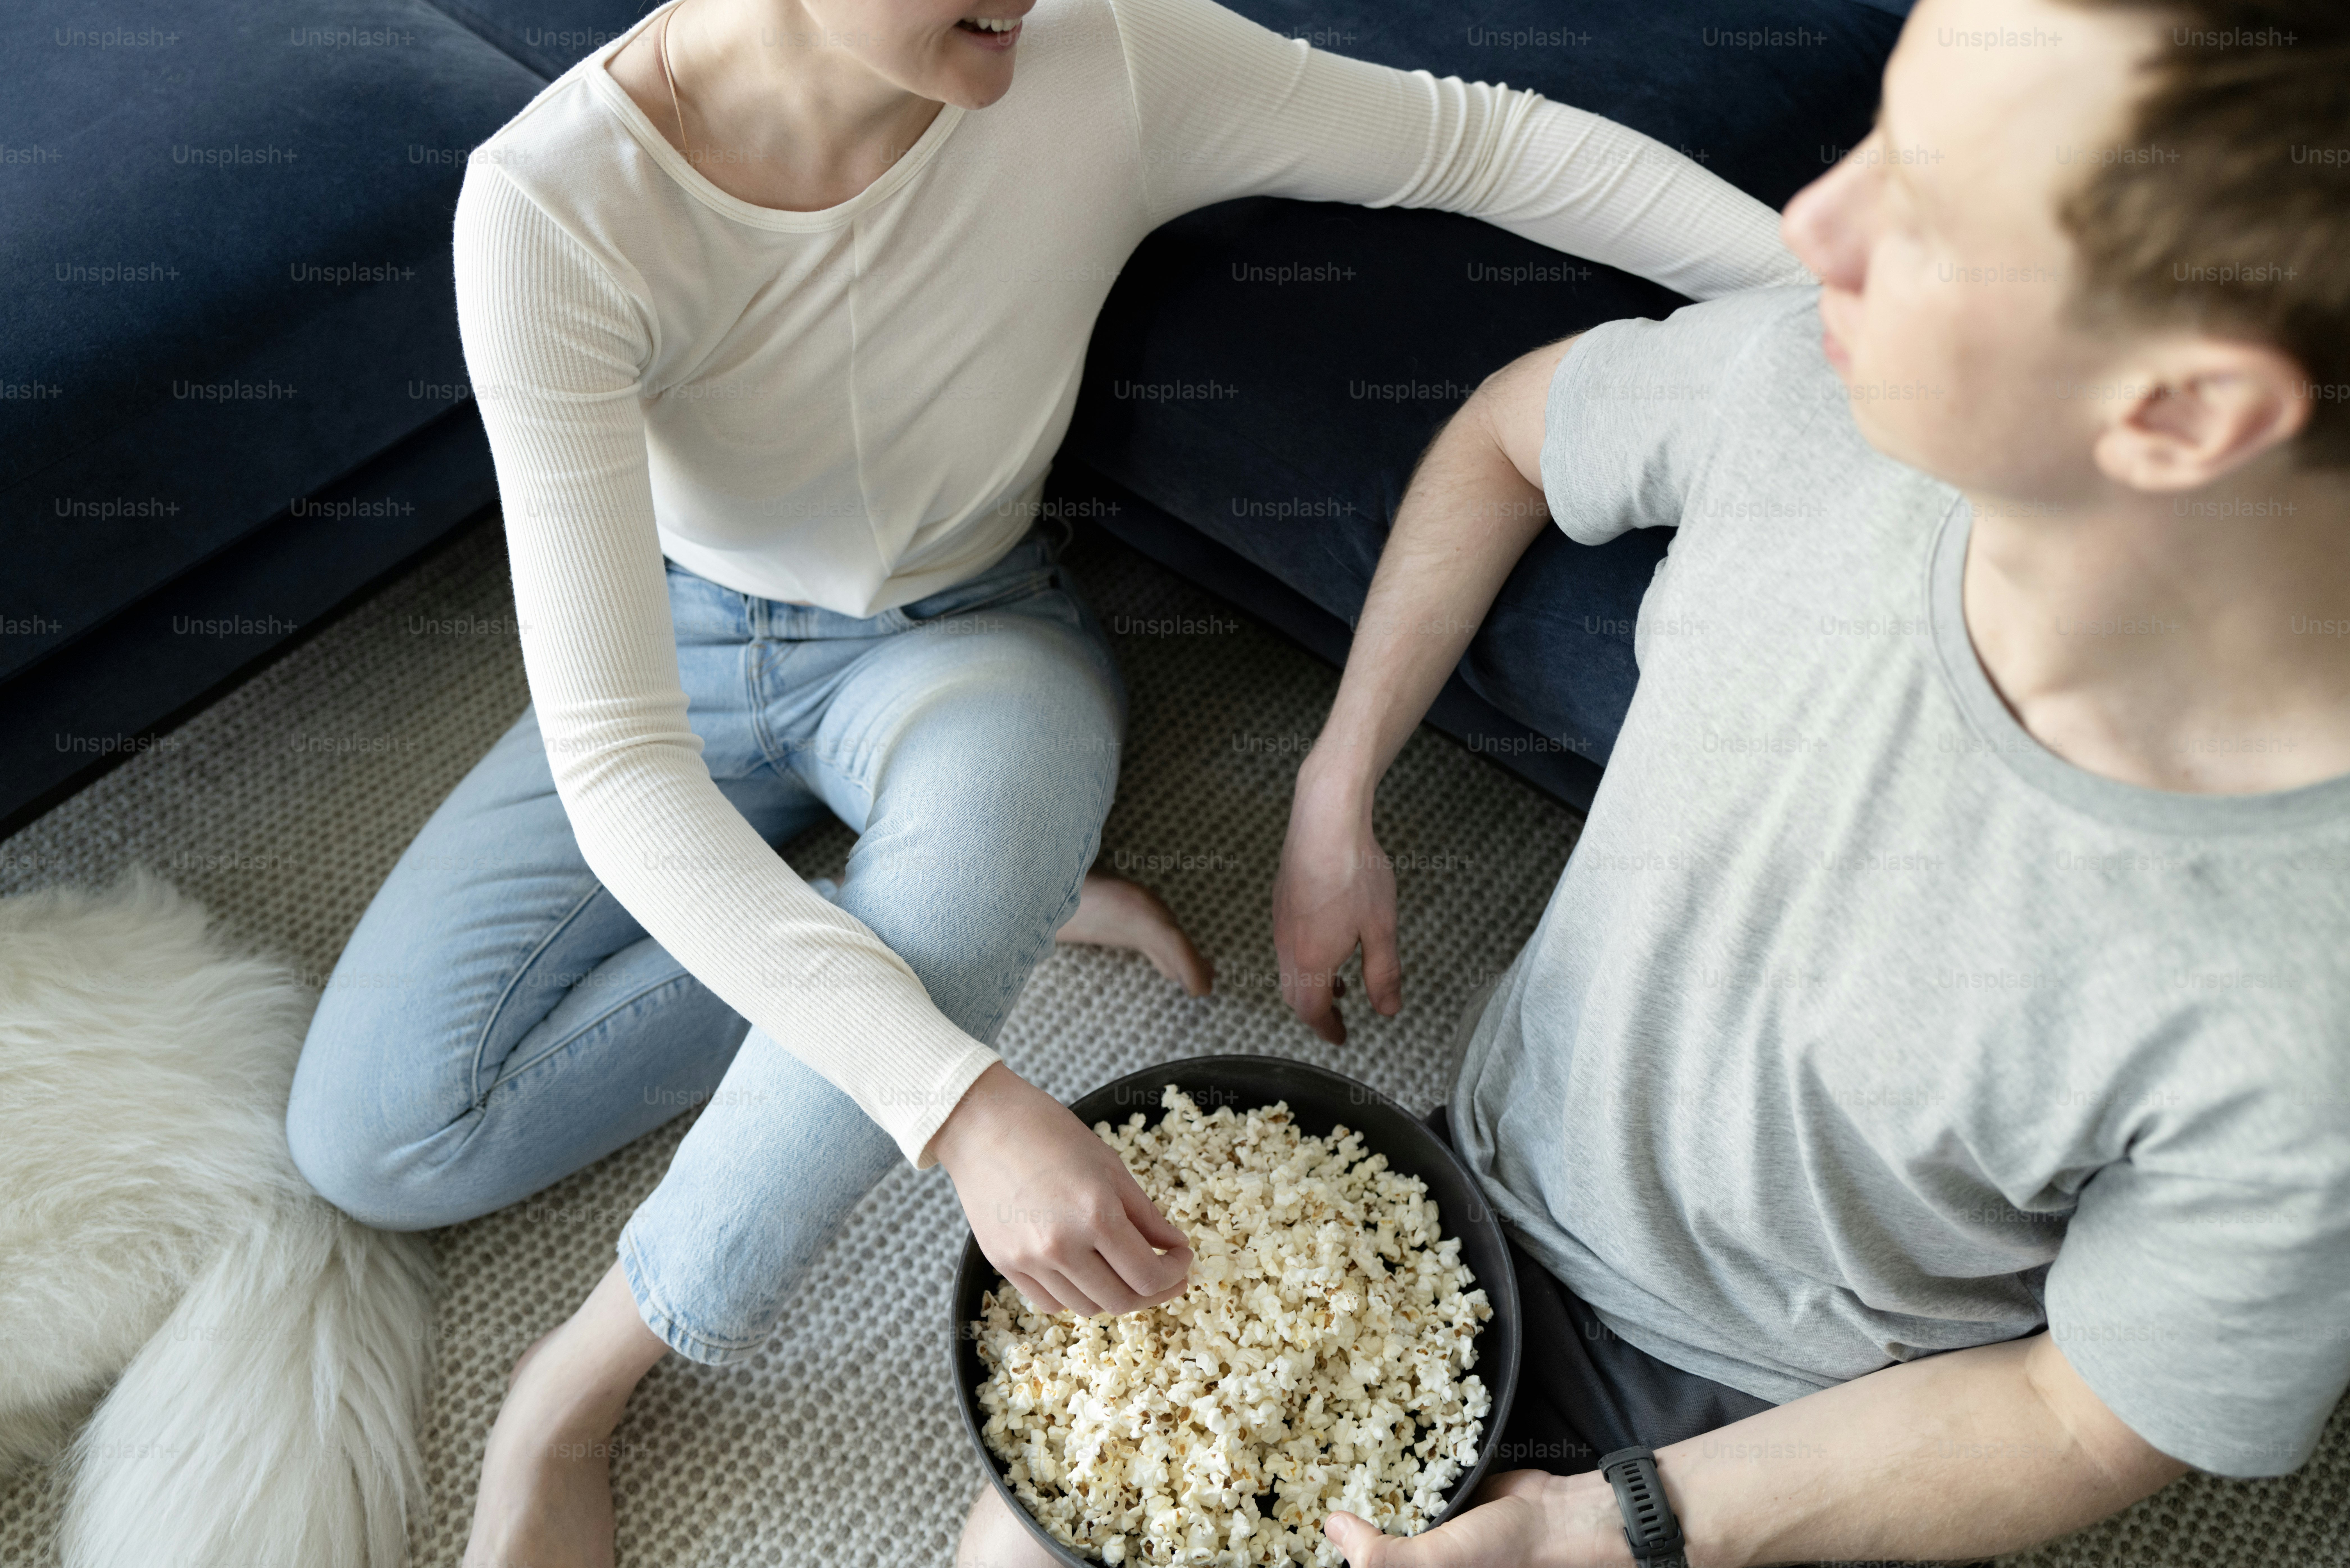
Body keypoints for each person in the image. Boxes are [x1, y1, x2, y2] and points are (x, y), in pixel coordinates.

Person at [278, 0, 1814, 1561]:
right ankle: (952, 923)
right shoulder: (554, 206)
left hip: (972, 647)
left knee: (957, 880)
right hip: (680, 635)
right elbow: (618, 761)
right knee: (378, 1141)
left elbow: (1475, 139)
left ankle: (574, 1390)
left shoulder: (1105, 56)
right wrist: (958, 1101)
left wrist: (1850, 301)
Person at [1245, 0, 2350, 1562]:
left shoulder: (2314, 1014)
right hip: (1472, 1185)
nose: (1816, 223)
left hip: (1792, 1422)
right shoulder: (1804, 383)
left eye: (1936, 211)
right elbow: (1509, 432)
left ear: (2187, 412)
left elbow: (2085, 1414)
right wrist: (1334, 784)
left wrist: (1612, 1531)